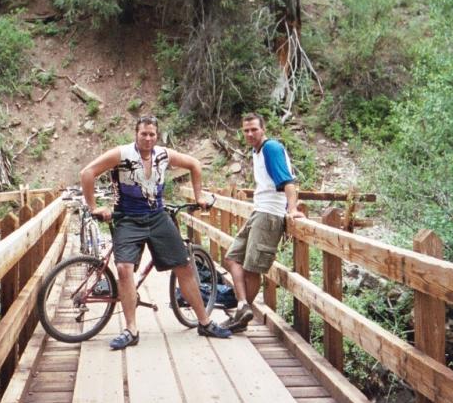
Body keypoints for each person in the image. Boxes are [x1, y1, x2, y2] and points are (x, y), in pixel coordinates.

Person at [80, 116, 233, 349]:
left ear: (156, 135)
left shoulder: (163, 154)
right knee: (123, 268)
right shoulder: (121, 154)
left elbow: (194, 164)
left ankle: (204, 321)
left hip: (158, 217)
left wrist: (199, 195)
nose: (148, 138)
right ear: (136, 134)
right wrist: (93, 207)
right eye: (144, 134)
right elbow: (87, 172)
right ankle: (131, 330)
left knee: (184, 266)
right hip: (128, 218)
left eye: (152, 134)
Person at [221, 113, 305, 333]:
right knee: (231, 258)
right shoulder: (256, 151)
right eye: (246, 130)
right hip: (259, 211)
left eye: (254, 130)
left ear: (263, 129)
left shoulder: (271, 148)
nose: (249, 134)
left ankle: (241, 317)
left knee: (252, 269)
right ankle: (243, 306)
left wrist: (293, 209)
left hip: (269, 214)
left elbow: (287, 181)